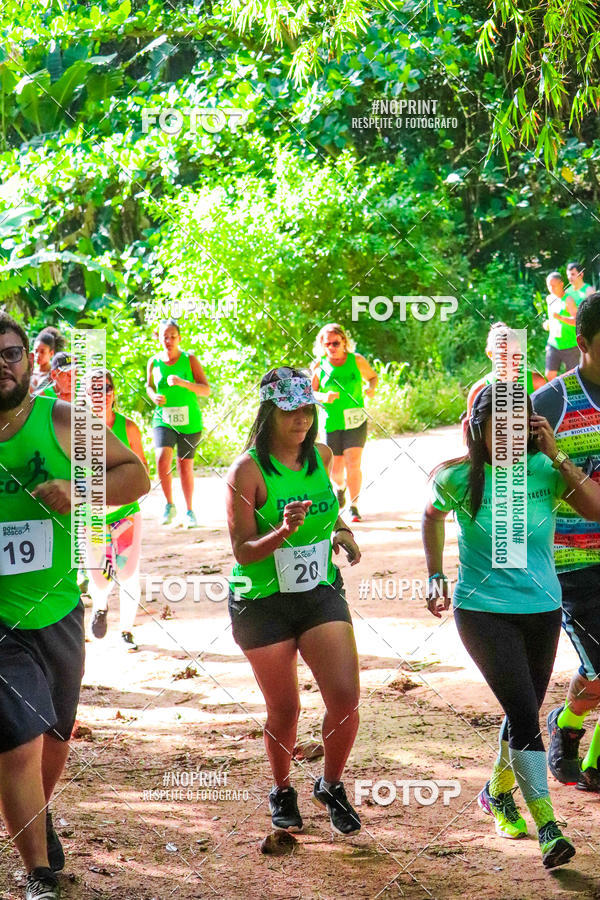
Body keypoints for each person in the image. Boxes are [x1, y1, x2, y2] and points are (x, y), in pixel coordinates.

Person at [0, 313, 149, 900]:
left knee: (56, 732)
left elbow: (135, 474)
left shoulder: (60, 420)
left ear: (29, 360)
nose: (2, 366)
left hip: (58, 605)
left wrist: (80, 491)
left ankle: (37, 816)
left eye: (11, 353)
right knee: (16, 736)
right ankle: (39, 873)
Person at [423, 381, 600, 869]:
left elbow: (597, 510)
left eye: (517, 426)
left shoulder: (545, 470)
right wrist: (435, 573)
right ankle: (549, 828)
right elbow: (431, 516)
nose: (507, 436)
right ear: (475, 430)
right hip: (482, 614)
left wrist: (558, 456)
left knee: (522, 706)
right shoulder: (454, 478)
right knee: (524, 716)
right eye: (496, 427)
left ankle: (497, 794)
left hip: (542, 609)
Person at [226, 366, 362, 835]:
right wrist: (282, 531)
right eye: (290, 411)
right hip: (261, 601)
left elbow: (330, 506)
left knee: (345, 698)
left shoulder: (321, 455)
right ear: (269, 413)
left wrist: (341, 531)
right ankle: (282, 789)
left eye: (308, 409)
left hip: (317, 590)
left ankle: (331, 784)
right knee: (285, 711)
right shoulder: (246, 471)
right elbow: (242, 551)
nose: (301, 419)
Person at [533, 292, 600, 793]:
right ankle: (565, 721)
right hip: (571, 560)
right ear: (581, 343)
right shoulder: (552, 402)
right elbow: (506, 475)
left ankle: (578, 734)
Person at [85, 369, 149, 651]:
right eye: (96, 389)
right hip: (93, 516)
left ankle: (127, 631)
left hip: (125, 512)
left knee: (128, 571)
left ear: (114, 392)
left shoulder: (129, 428)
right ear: (86, 395)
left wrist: (123, 488)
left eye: (107, 388)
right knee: (99, 576)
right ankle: (100, 607)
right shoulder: (76, 429)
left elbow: (143, 472)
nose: (102, 394)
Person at [146, 320, 210, 527]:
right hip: (163, 418)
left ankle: (190, 511)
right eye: (165, 336)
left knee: (184, 466)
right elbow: (148, 386)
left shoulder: (189, 359)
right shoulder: (153, 362)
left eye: (173, 336)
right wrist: (153, 396)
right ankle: (169, 505)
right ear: (159, 338)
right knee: (162, 458)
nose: (169, 340)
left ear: (179, 338)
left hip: (189, 421)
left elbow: (205, 389)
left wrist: (183, 383)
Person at [311, 324, 377, 522]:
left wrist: (371, 388)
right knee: (337, 469)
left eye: (335, 343)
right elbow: (310, 393)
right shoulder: (319, 365)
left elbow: (372, 377)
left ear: (344, 342)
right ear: (322, 345)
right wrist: (324, 396)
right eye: (327, 343)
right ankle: (340, 488)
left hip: (356, 419)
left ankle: (354, 506)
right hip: (331, 422)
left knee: (353, 462)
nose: (332, 347)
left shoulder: (356, 360)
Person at [466, 322, 545, 421]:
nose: (512, 358)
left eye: (516, 352)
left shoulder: (537, 383)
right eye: (505, 353)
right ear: (491, 355)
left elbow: (553, 423)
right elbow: (469, 431)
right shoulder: (479, 391)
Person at [544, 272, 580, 380]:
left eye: (554, 285)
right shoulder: (549, 299)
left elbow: (576, 321)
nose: (551, 288)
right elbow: (552, 318)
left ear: (561, 284)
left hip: (570, 346)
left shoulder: (569, 300)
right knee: (549, 376)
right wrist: (547, 324)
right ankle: (554, 396)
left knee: (572, 379)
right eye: (549, 286)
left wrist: (561, 318)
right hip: (553, 344)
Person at [30, 328, 66, 393]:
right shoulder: (29, 372)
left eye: (42, 352)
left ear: (51, 353)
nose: (37, 355)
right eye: (36, 351)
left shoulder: (55, 376)